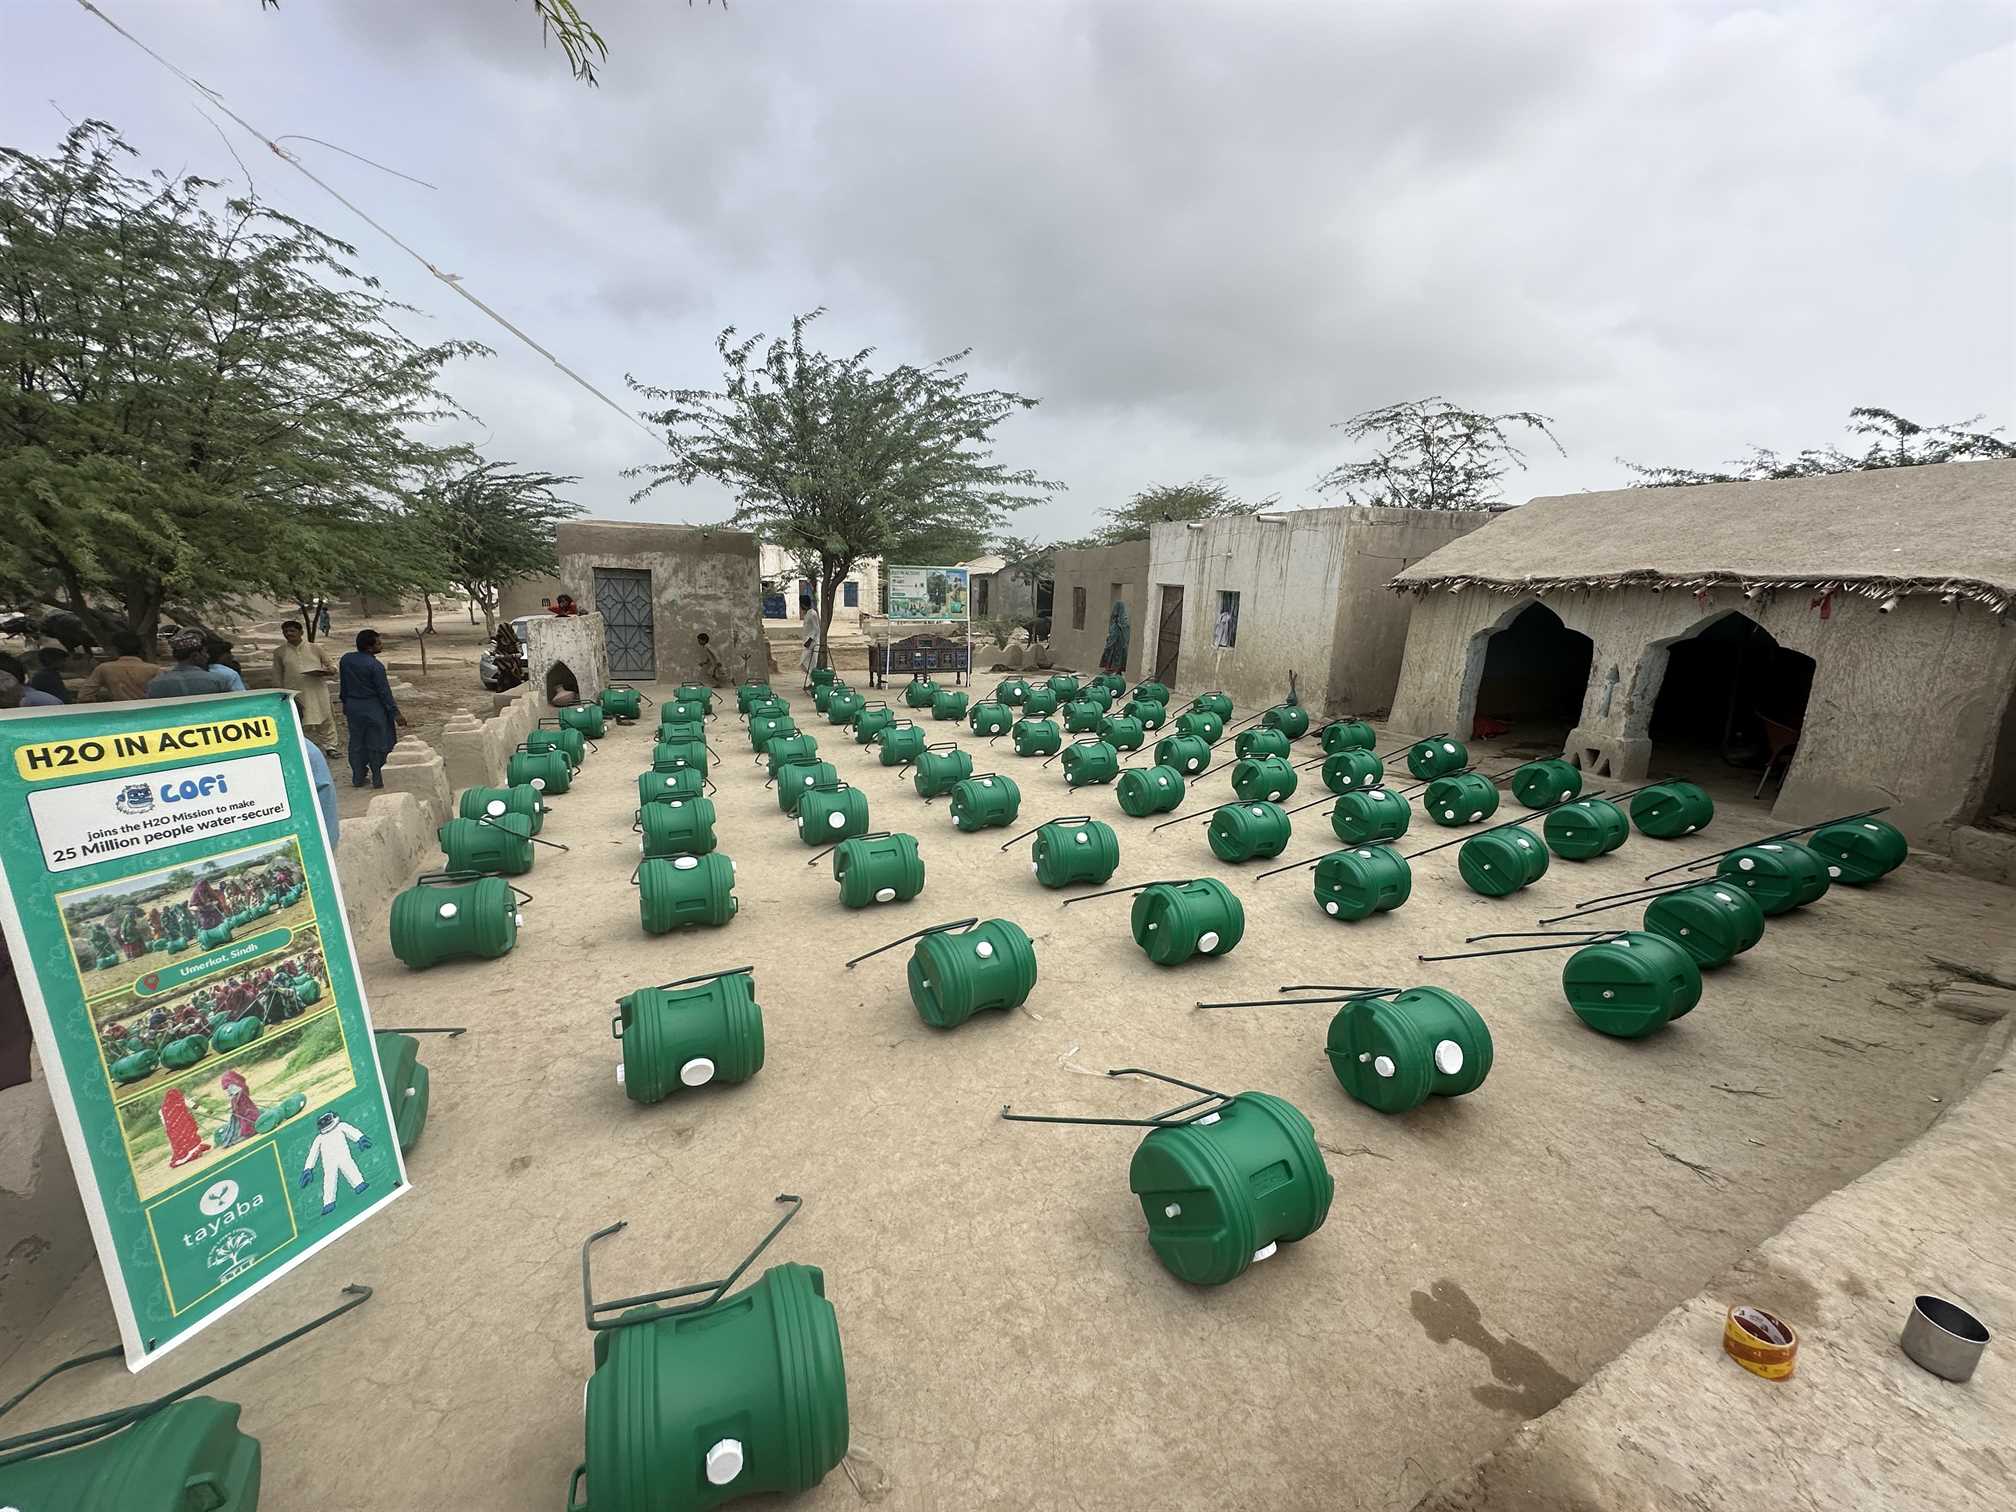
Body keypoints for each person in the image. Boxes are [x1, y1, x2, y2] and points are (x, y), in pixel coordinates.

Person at [337, 628, 406, 788]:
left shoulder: (346, 659)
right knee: (378, 742)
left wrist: (345, 703)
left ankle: (358, 777)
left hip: (353, 706)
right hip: (373, 707)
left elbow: (344, 685)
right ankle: (378, 778)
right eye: (379, 643)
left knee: (357, 741)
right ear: (369, 647)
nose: (381, 645)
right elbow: (384, 692)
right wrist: (396, 713)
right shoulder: (375, 666)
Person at [272, 620, 339, 755]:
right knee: (299, 719)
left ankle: (330, 747)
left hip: (317, 688)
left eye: (292, 631)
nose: (288, 634)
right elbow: (277, 674)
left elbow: (331, 664)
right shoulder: (280, 652)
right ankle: (303, 749)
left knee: (325, 716)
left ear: (301, 632)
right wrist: (280, 692)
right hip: (294, 690)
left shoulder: (315, 648)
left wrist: (331, 670)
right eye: (286, 631)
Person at [145, 630, 247, 697]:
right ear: (195, 656)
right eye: (204, 653)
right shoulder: (217, 680)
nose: (207, 656)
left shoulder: (156, 684)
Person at [76, 631, 158, 702]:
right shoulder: (154, 669)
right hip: (149, 713)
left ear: (115, 649)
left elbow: (84, 696)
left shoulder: (104, 668)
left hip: (119, 712)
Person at [1100, 600, 1131, 675]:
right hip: (1115, 648)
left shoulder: (1122, 623)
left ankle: (1114, 673)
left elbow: (1121, 636)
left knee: (1115, 663)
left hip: (1118, 647)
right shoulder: (1116, 622)